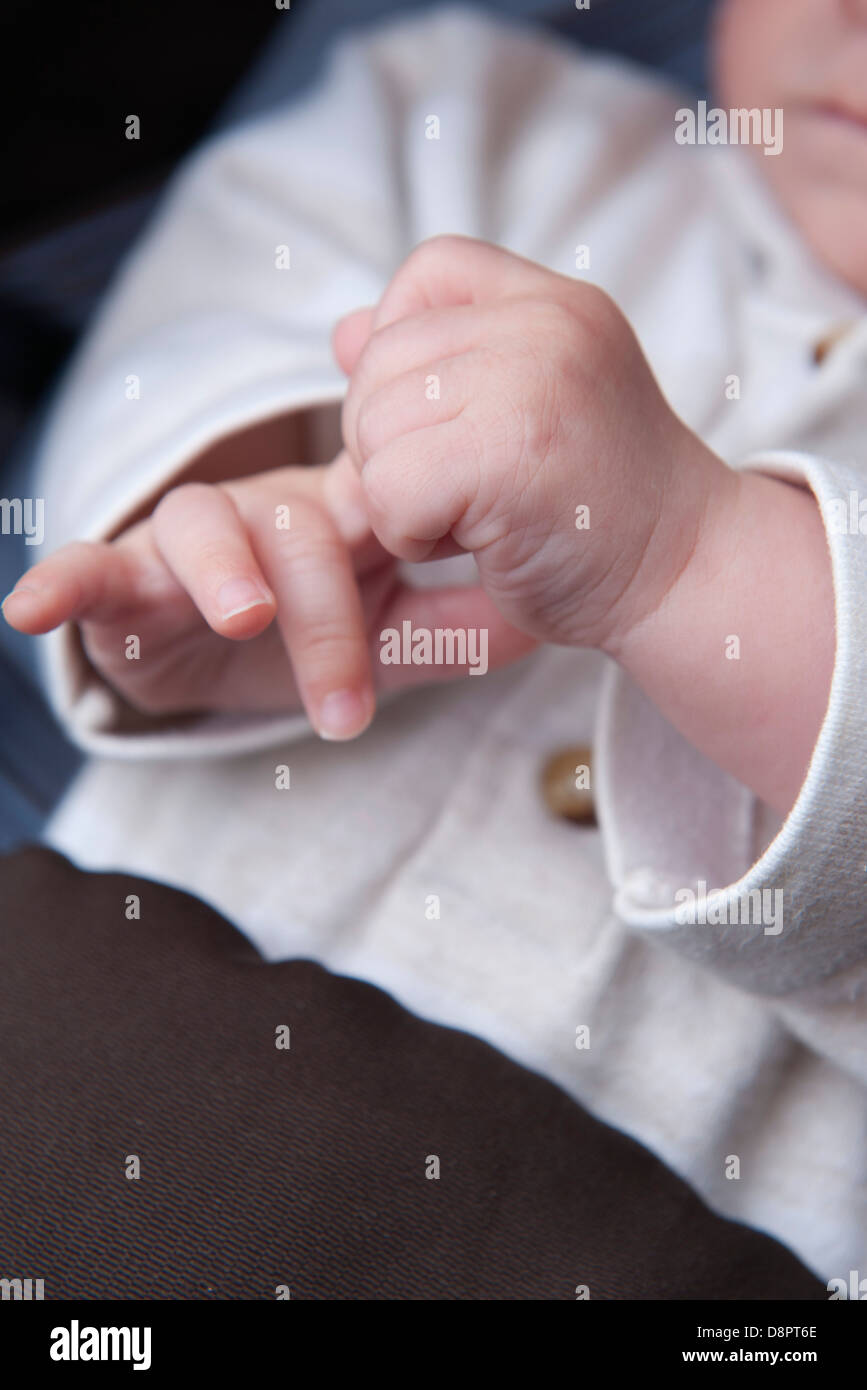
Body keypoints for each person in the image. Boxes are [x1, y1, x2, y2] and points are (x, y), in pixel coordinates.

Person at [5, 0, 867, 1282]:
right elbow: (185, 344)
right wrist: (264, 508)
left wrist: (688, 563)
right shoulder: (468, 107)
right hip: (102, 1059)